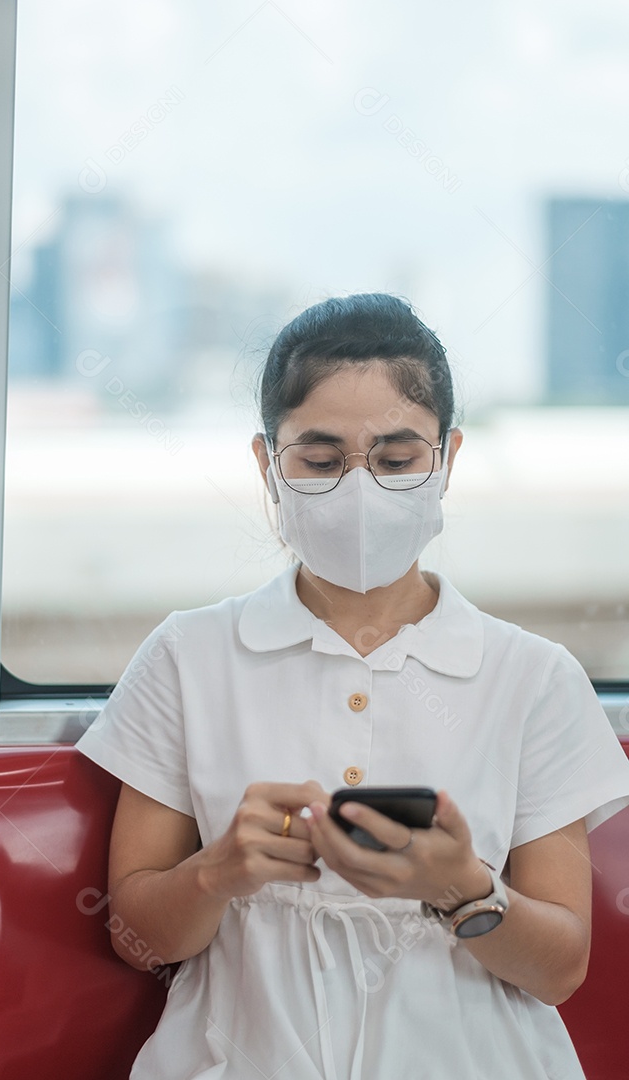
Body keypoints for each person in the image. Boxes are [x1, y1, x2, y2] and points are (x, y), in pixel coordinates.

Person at [76, 293, 629, 1079]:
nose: (360, 491)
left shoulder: (533, 678)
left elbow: (559, 970)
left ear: (448, 460)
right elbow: (138, 941)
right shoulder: (187, 656)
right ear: (269, 465)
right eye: (322, 459)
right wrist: (219, 871)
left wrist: (461, 887)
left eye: (398, 460)